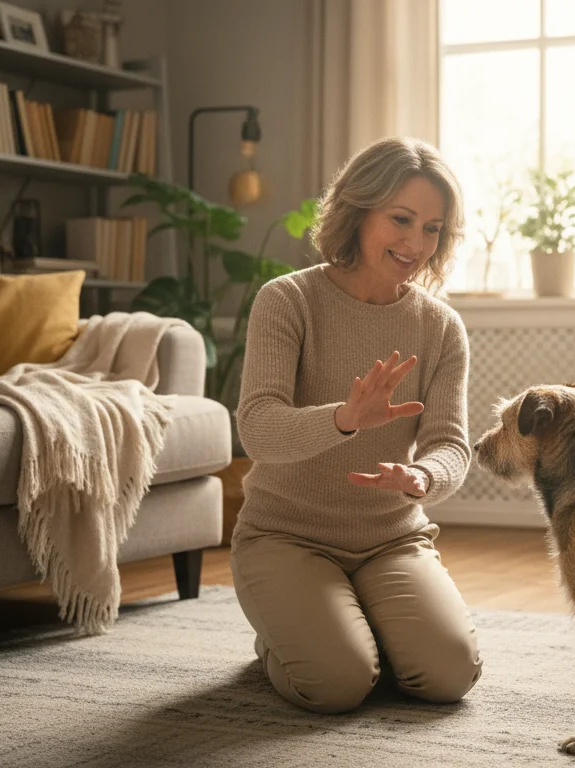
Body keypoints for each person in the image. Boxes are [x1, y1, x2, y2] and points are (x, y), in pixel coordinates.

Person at [231, 136, 481, 713]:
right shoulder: (287, 301)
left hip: (391, 540)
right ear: (357, 208)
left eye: (433, 228)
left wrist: (422, 478)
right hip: (285, 535)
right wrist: (343, 420)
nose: (415, 243)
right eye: (401, 219)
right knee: (336, 684)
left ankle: (353, 623)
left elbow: (449, 444)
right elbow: (259, 428)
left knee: (448, 676)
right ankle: (286, 636)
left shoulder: (441, 328)